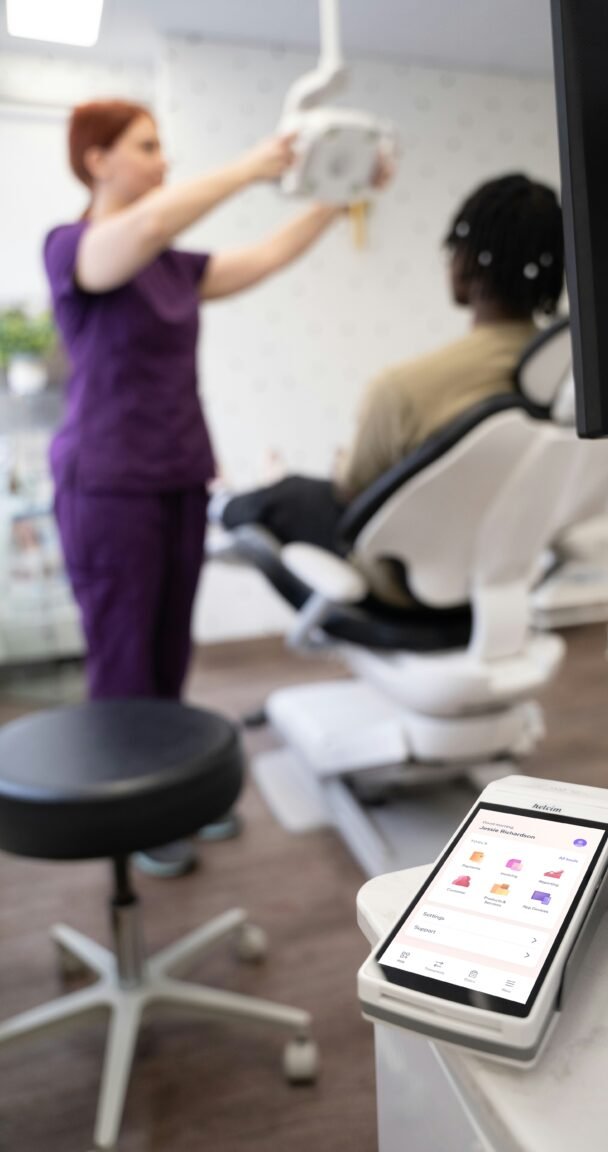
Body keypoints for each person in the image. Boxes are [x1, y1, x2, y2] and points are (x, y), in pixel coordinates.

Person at [44, 99, 358, 876]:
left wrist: (339, 196)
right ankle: (130, 813)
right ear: (97, 160)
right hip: (108, 483)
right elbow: (144, 227)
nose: (162, 161)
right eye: (146, 147)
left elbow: (267, 257)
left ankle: (169, 796)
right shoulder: (75, 249)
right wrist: (253, 164)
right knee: (124, 657)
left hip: (180, 473)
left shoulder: (173, 268)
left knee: (169, 649)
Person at [218, 173, 565, 592]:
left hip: (403, 580)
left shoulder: (403, 389)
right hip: (500, 572)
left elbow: (352, 492)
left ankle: (227, 502)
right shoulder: (564, 377)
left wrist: (344, 467)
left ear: (469, 260)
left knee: (288, 494)